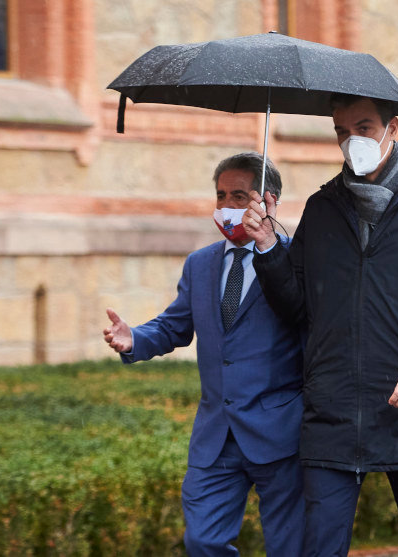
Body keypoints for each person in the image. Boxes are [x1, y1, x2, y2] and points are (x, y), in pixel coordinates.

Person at [242, 93, 398, 556]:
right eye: (341, 130)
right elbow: (297, 306)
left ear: (393, 128)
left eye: (364, 128)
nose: (352, 140)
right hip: (335, 408)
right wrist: (270, 247)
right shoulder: (322, 208)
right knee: (320, 548)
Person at [103, 152, 304, 557]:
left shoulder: (300, 259)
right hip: (216, 435)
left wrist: (268, 247)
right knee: (202, 541)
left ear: (268, 202)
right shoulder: (200, 264)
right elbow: (175, 325)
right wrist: (135, 338)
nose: (227, 206)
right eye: (220, 196)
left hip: (280, 433)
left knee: (289, 547)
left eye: (238, 196)